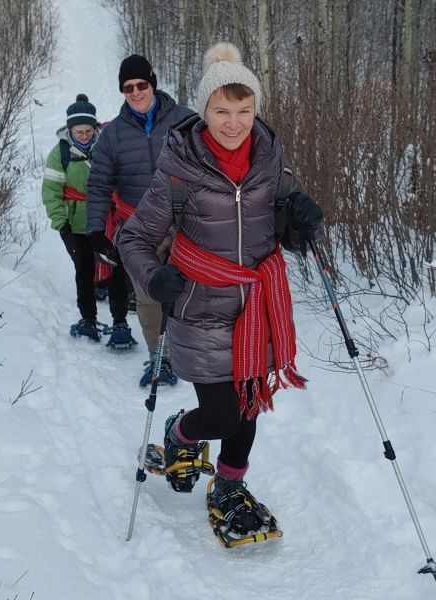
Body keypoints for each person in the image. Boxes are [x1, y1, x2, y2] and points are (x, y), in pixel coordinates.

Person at [116, 43, 324, 544]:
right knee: (221, 414)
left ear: (256, 109)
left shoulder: (271, 161)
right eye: (222, 111)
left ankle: (230, 485)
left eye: (244, 111)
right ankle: (180, 433)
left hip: (258, 309)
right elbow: (133, 238)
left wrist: (305, 224)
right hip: (201, 308)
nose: (234, 123)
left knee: (247, 410)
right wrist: (153, 278)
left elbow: (286, 235)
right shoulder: (179, 169)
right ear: (204, 110)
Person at [86, 54, 194, 383]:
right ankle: (160, 358)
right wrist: (96, 232)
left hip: (184, 223)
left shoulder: (185, 120)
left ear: (153, 84)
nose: (135, 92)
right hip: (138, 228)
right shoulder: (113, 135)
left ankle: (195, 351)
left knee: (192, 291)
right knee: (148, 297)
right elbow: (98, 184)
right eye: (128, 87)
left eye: (141, 85)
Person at [41, 94, 134, 346]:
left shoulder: (108, 147)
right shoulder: (59, 154)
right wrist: (62, 226)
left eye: (88, 131)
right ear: (69, 130)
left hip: (108, 220)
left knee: (115, 268)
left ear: (95, 128)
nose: (84, 136)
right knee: (84, 269)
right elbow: (51, 192)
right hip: (77, 223)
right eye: (78, 132)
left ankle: (120, 322)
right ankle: (88, 319)